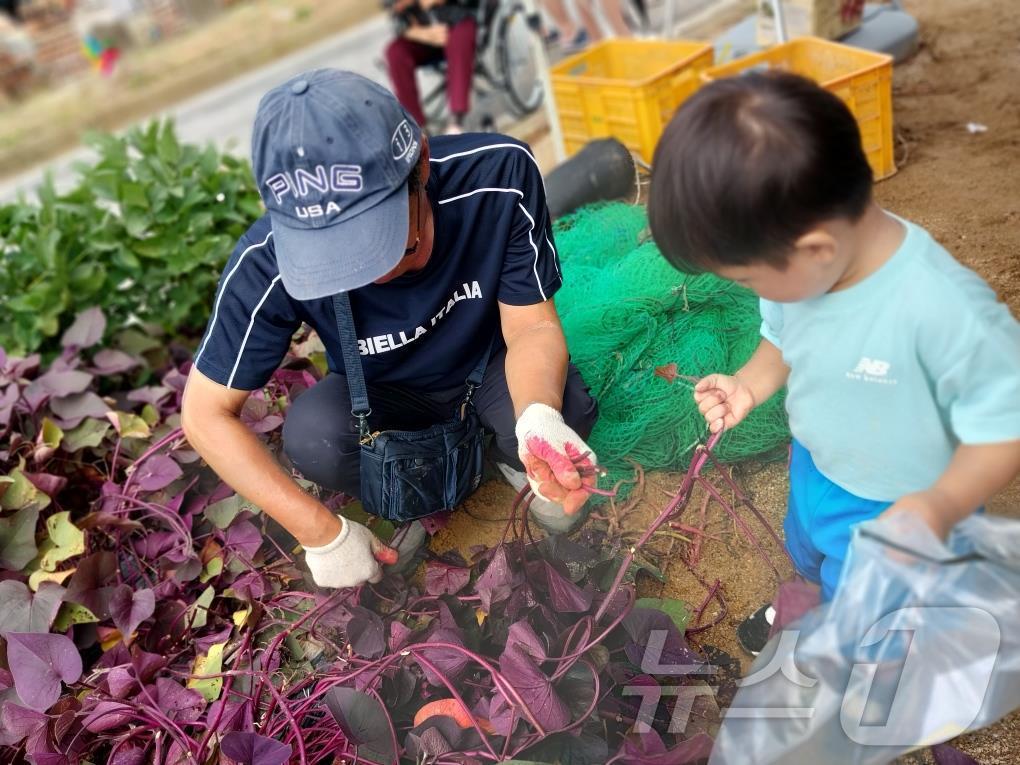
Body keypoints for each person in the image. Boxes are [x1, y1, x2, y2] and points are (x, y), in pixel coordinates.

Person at [181, 69, 599, 592]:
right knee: (316, 438)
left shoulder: (497, 176)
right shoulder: (266, 263)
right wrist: (320, 534)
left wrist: (537, 416)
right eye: (335, 263)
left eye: (393, 246)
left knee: (569, 412)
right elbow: (204, 413)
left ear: (420, 164)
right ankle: (411, 489)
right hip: (385, 393)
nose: (375, 277)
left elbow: (533, 325)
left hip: (489, 366)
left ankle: (509, 450)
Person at [648, 71, 1020, 653]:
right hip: (818, 465)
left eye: (745, 278)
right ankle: (813, 596)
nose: (750, 290)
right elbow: (783, 340)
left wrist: (942, 504)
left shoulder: (942, 310)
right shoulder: (801, 268)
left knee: (871, 608)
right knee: (811, 554)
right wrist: (749, 383)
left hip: (895, 505)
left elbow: (1006, 427)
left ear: (816, 248)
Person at [384, 0, 479, 133]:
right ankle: (417, 128)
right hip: (423, 33)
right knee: (395, 52)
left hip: (460, 21)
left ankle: (457, 120)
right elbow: (395, 16)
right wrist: (422, 34)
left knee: (459, 39)